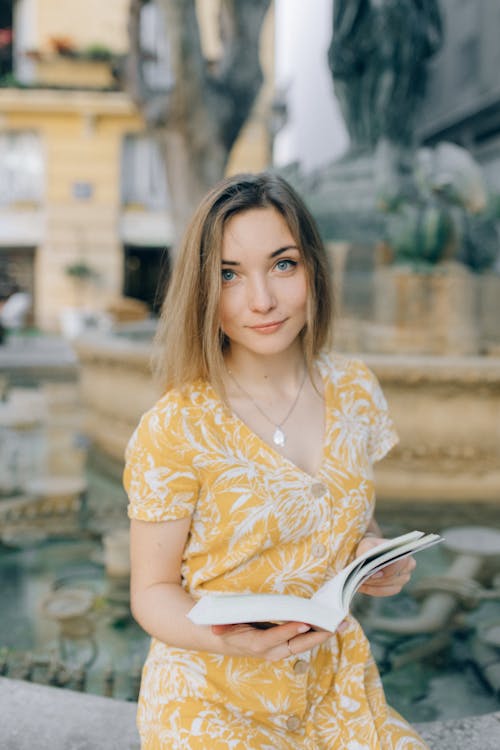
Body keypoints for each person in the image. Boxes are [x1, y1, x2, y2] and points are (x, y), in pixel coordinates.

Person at [124, 172, 427, 748]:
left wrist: (371, 554)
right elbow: (152, 592)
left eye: (283, 264)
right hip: (211, 697)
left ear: (313, 268)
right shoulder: (176, 427)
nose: (261, 300)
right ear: (202, 291)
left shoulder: (355, 388)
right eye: (229, 275)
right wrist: (228, 640)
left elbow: (351, 517)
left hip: (335, 687)